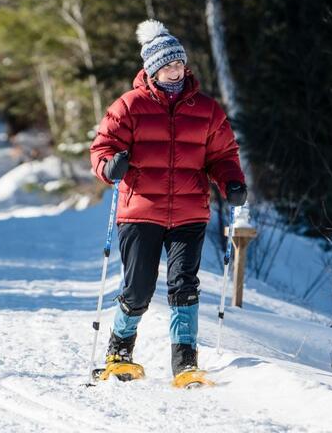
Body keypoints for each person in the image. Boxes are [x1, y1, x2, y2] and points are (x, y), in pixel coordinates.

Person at [89, 19, 247, 381]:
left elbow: (223, 156)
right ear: (152, 69)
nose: (176, 71)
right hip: (140, 211)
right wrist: (110, 166)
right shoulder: (128, 107)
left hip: (190, 212)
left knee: (184, 284)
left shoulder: (207, 110)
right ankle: (119, 352)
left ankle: (185, 362)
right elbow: (102, 149)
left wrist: (232, 181)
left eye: (179, 64)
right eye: (168, 65)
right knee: (139, 285)